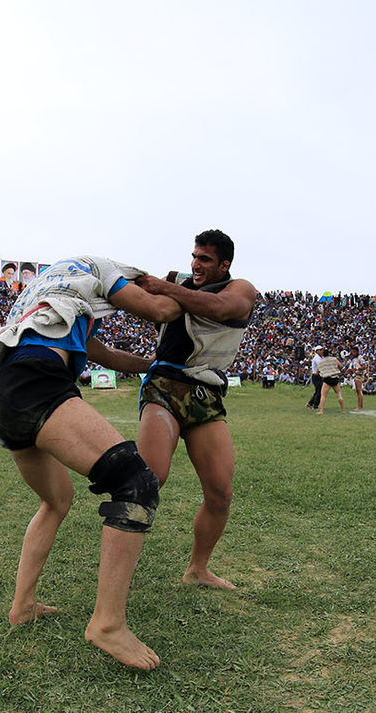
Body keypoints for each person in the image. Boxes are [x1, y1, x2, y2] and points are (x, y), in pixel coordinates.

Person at [0, 254, 181, 670]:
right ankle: (107, 624)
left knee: (56, 500)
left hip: (4, 394)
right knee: (136, 481)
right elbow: (161, 309)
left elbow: (102, 354)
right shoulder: (101, 269)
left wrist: (155, 367)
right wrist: (176, 291)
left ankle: (23, 605)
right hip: (38, 384)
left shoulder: (54, 291)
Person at [134, 229, 257, 591]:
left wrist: (167, 287)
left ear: (225, 264)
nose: (195, 264)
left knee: (221, 492)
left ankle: (198, 569)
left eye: (204, 259)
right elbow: (158, 315)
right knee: (148, 480)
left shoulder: (241, 288)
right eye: (194, 256)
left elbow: (220, 309)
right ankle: (119, 561)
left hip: (206, 394)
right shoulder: (181, 287)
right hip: (165, 386)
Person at [315, 349, 346, 414]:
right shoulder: (334, 359)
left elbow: (317, 372)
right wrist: (337, 370)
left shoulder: (321, 362)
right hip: (335, 377)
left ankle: (321, 410)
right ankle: (343, 410)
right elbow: (341, 366)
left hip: (327, 378)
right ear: (329, 353)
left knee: (323, 395)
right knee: (339, 395)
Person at [306, 345, 325, 410]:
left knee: (318, 391)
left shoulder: (321, 357)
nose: (322, 351)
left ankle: (310, 403)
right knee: (319, 391)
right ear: (317, 351)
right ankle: (315, 405)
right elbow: (320, 366)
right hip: (317, 375)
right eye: (320, 350)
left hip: (319, 375)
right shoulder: (317, 358)